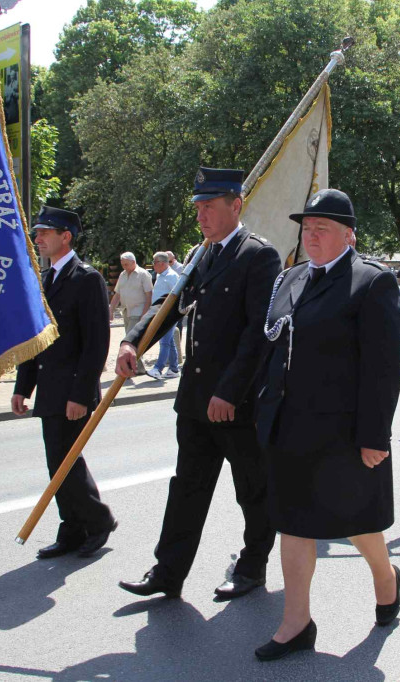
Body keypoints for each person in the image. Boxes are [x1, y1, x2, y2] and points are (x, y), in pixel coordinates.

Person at [116, 167, 280, 600]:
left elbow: (257, 333)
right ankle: (168, 572)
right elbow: (169, 306)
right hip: (194, 400)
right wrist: (133, 341)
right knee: (187, 487)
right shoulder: (200, 254)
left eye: (209, 206)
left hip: (235, 404)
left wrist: (230, 391)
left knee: (252, 489)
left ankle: (252, 566)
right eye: (198, 207)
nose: (201, 215)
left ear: (236, 205)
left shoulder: (258, 256)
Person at [254, 189, 400, 661]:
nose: (311, 235)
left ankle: (385, 577)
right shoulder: (291, 279)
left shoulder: (370, 282)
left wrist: (374, 437)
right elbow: (272, 351)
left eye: (322, 229)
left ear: (348, 234)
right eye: (307, 228)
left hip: (343, 432)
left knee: (356, 523)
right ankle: (296, 623)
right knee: (293, 524)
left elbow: (383, 369)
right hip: (290, 427)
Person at [11, 206, 117, 559]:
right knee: (58, 462)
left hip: (72, 390)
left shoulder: (87, 278)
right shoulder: (45, 280)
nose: (38, 238)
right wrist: (22, 387)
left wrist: (80, 394)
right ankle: (72, 528)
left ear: (65, 236)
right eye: (37, 233)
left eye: (45, 232)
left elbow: (96, 343)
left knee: (65, 462)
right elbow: (35, 340)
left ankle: (97, 521)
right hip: (49, 388)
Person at [109, 251, 153, 373]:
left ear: (134, 262)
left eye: (126, 264)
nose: (124, 267)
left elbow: (149, 295)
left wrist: (145, 313)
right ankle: (139, 368)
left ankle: (128, 369)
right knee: (133, 341)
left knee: (129, 340)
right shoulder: (122, 275)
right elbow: (117, 294)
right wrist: (111, 309)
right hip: (126, 311)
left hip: (138, 311)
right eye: (123, 264)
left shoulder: (143, 274)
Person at [145, 252, 181, 380]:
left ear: (161, 263)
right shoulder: (161, 275)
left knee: (164, 341)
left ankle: (158, 369)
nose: (153, 265)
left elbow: (177, 296)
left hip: (168, 314)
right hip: (161, 313)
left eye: (154, 262)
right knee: (169, 341)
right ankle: (173, 369)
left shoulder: (172, 276)